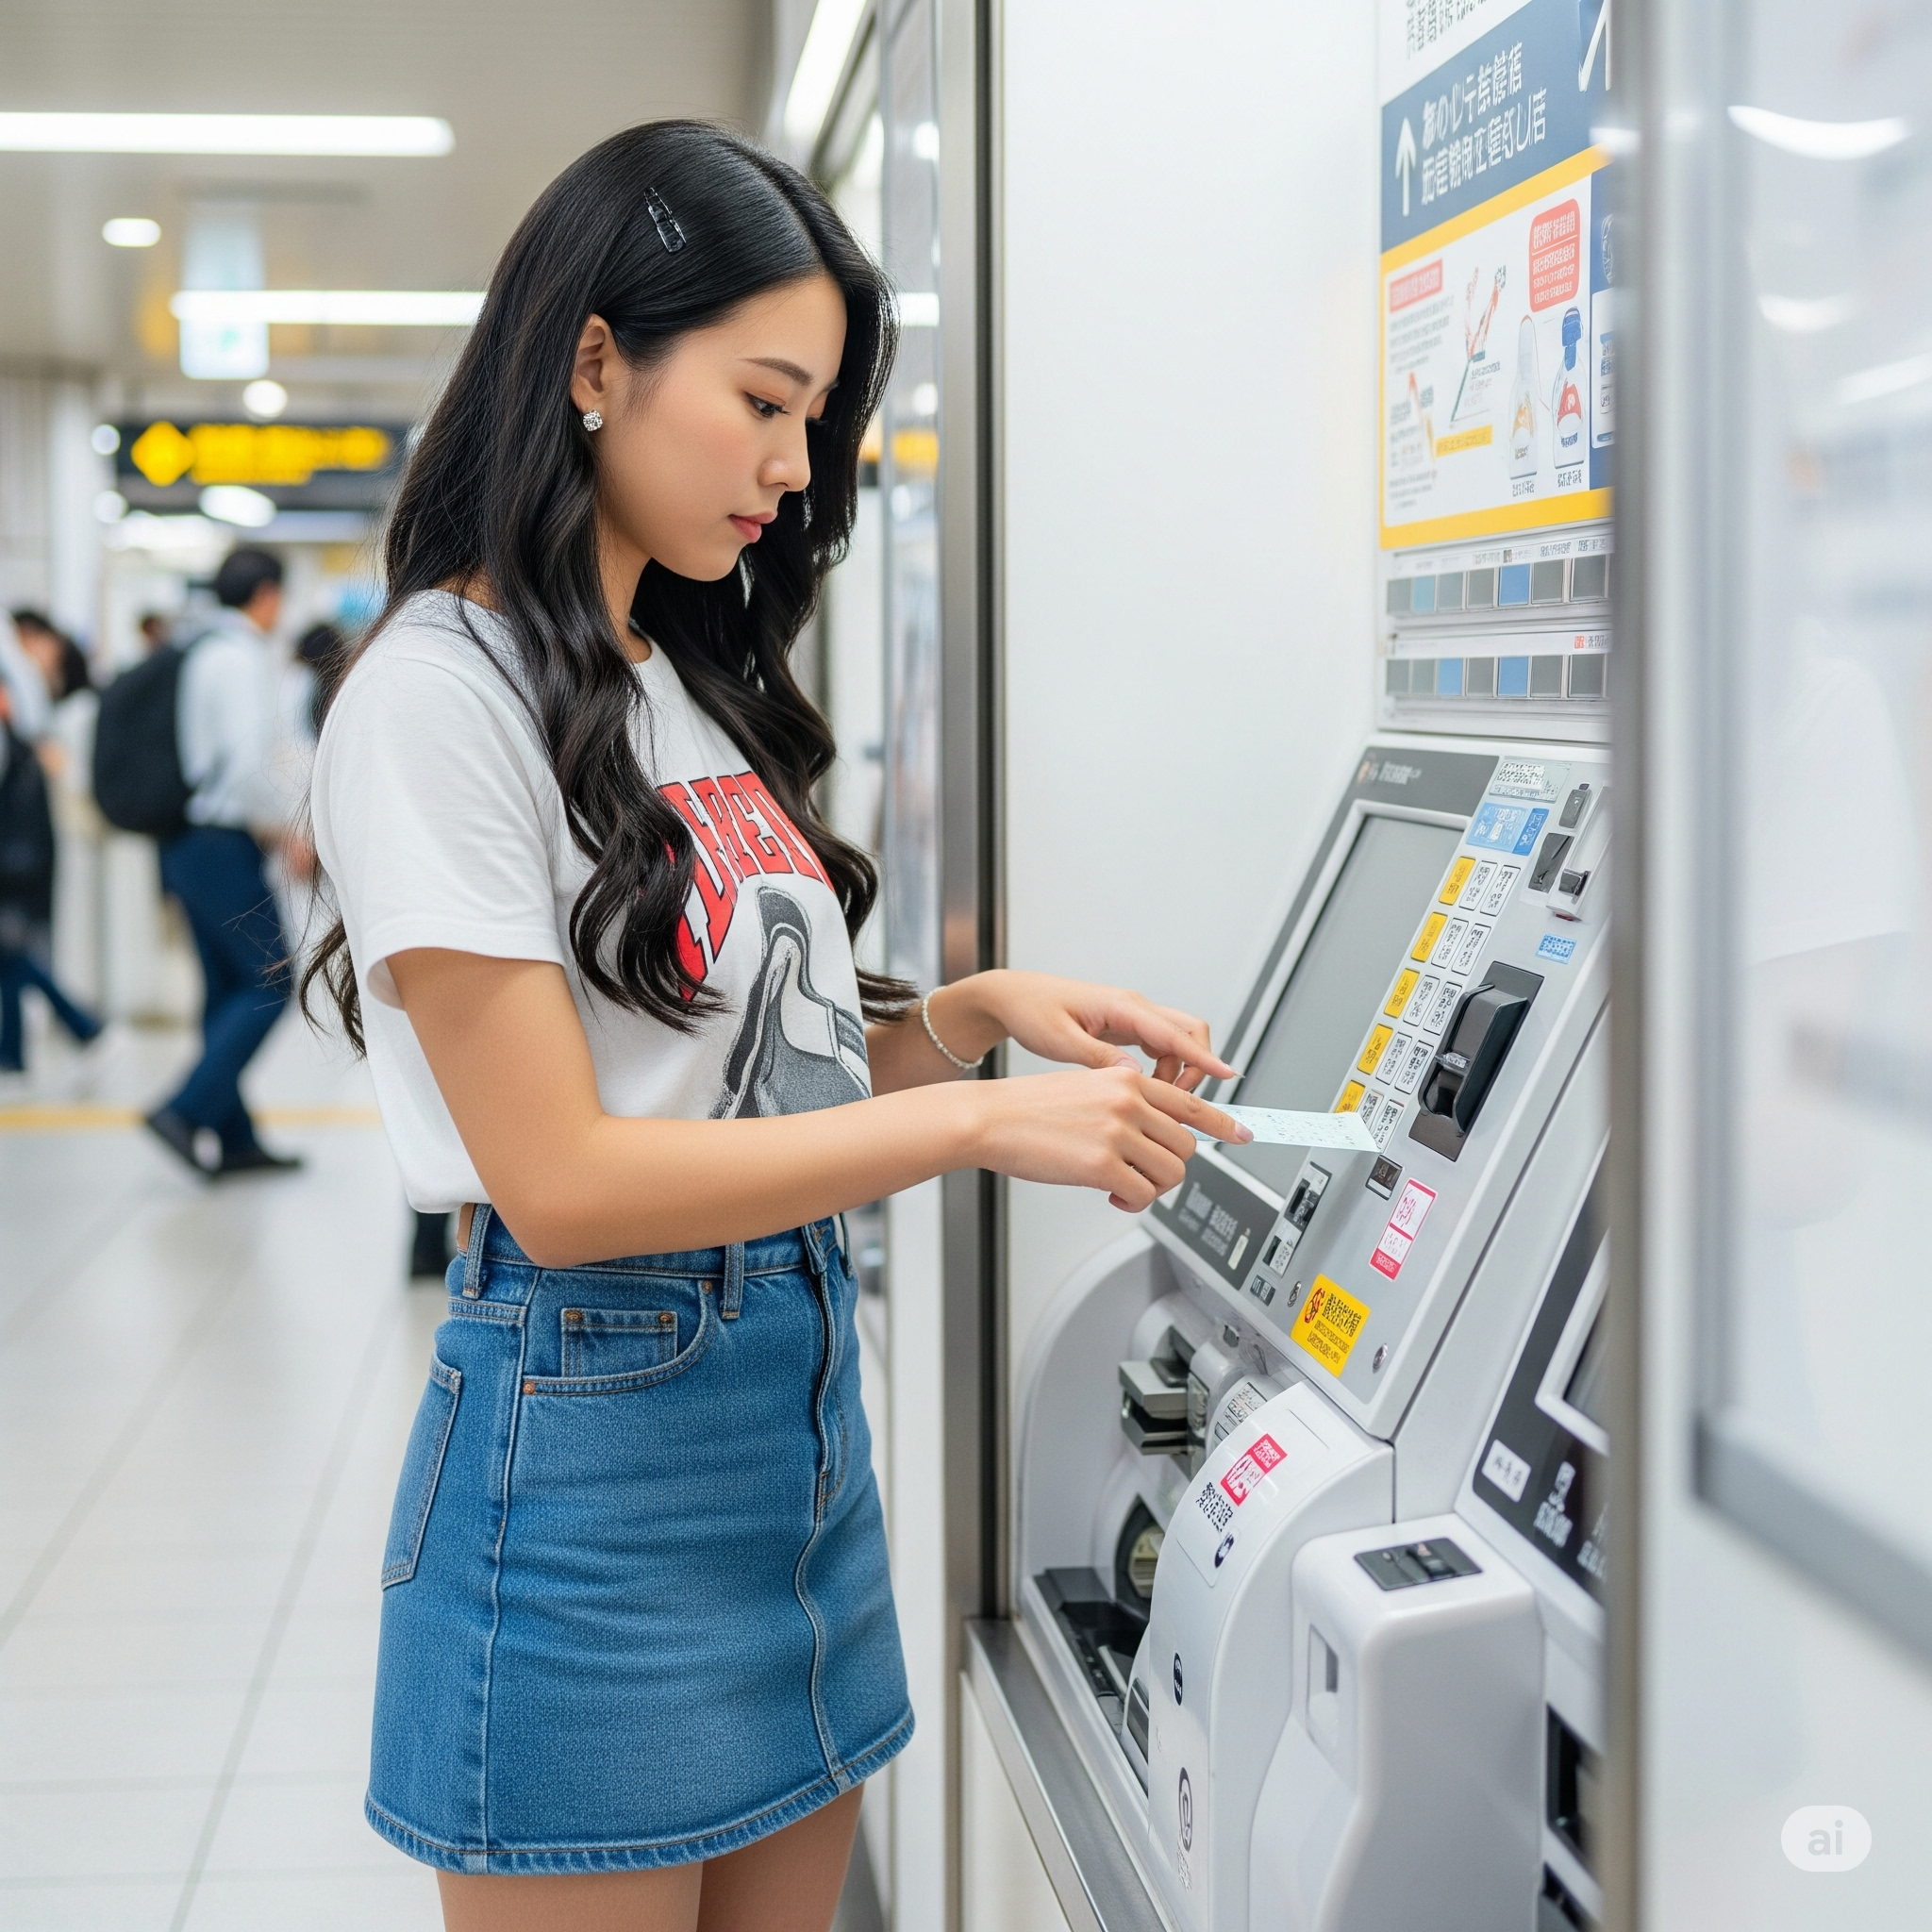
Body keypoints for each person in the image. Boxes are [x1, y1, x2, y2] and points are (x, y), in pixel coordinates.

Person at [305, 122, 1248, 1932]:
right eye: (760, 397)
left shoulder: (672, 677)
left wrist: (965, 1023)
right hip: (590, 1454)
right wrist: (970, 1130)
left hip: (792, 1428)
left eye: (812, 416)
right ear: (593, 361)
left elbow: (749, 1082)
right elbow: (569, 1181)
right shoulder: (435, 698)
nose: (790, 462)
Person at [145, 547, 303, 1175]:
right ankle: (184, 1109)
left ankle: (234, 1138)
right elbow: (245, 767)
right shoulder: (239, 658)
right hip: (221, 839)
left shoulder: (200, 650)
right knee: (270, 980)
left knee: (225, 989)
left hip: (188, 840)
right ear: (265, 594)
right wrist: (287, 830)